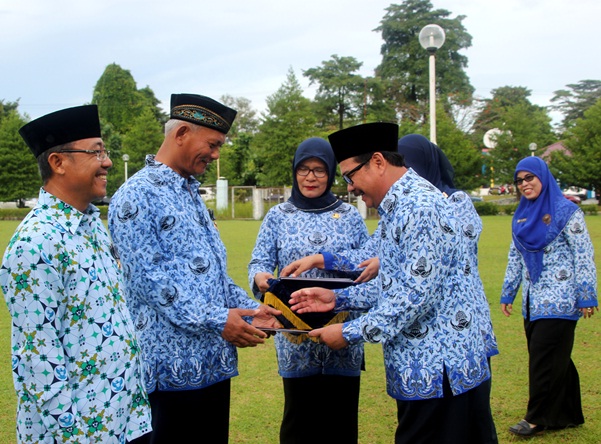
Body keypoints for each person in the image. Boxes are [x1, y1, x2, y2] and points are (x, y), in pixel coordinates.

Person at [288, 122, 495, 444]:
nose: (350, 188)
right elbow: (393, 283)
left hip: (440, 367)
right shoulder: (398, 209)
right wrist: (337, 299)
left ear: (378, 161)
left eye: (350, 176)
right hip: (424, 365)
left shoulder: (420, 207)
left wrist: (349, 332)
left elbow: (414, 295)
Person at [108, 93, 281, 443]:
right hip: (170, 371)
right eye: (213, 144)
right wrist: (220, 319)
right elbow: (150, 283)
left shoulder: (190, 193)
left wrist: (251, 310)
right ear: (182, 132)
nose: (216, 155)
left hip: (213, 364)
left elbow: (213, 278)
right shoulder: (136, 195)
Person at [0, 105, 152, 443]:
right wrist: (75, 437)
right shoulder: (36, 242)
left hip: (128, 420)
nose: (107, 161)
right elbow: (39, 359)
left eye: (105, 151)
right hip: (83, 434)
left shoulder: (92, 226)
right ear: (58, 163)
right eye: (96, 151)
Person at [248, 137, 371, 444]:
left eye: (318, 169)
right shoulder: (279, 215)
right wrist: (260, 276)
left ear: (330, 173)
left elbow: (367, 267)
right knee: (298, 420)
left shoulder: (350, 215)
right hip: (294, 334)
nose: (310, 177)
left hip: (341, 328)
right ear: (294, 172)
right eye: (303, 169)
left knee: (341, 420)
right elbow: (260, 260)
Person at [500, 156, 597, 437]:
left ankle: (536, 418)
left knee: (544, 357)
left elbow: (583, 254)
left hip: (562, 299)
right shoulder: (522, 215)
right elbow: (514, 256)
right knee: (556, 358)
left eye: (529, 178)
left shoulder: (567, 212)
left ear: (543, 177)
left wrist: (587, 295)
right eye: (519, 180)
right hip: (533, 302)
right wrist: (508, 291)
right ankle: (568, 413)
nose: (524, 184)